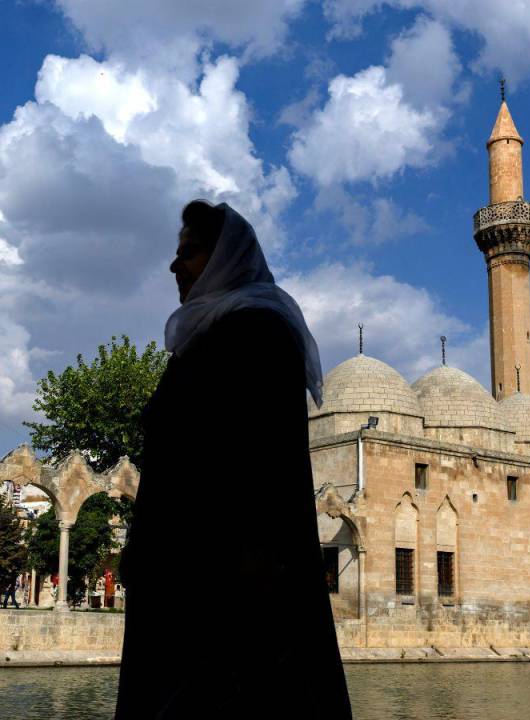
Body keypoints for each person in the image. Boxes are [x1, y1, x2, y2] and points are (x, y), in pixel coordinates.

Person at [114, 200, 353, 719]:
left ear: (228, 257)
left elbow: (252, 472)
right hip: (183, 582)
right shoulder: (210, 333)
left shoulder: (256, 331)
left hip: (219, 596)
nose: (175, 267)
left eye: (190, 253)